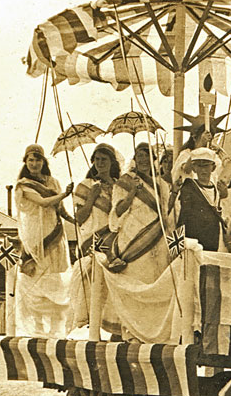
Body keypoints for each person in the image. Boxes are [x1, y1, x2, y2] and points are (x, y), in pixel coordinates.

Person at [15, 143, 73, 337]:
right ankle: (38, 327)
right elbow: (42, 201)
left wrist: (74, 219)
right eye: (30, 160)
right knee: (37, 276)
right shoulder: (23, 184)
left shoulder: (53, 182)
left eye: (38, 159)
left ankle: (57, 328)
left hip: (54, 232)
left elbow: (59, 208)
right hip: (36, 235)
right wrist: (64, 193)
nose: (34, 163)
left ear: (43, 161)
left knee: (55, 277)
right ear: (25, 162)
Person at [67, 143, 122, 337]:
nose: (100, 163)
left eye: (104, 160)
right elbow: (79, 217)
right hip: (93, 239)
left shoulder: (119, 185)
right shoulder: (85, 185)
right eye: (96, 159)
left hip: (116, 240)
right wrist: (92, 197)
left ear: (112, 162)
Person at [108, 142, 173, 280]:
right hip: (133, 235)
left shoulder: (161, 184)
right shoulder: (125, 181)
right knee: (137, 274)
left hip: (157, 235)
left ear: (153, 159)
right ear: (135, 159)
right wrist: (133, 191)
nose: (144, 160)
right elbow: (118, 211)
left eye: (147, 156)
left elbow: (166, 211)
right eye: (140, 156)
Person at [175, 148, 227, 252]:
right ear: (194, 168)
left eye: (206, 166)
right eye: (199, 166)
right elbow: (184, 216)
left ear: (213, 168)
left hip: (212, 238)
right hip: (193, 239)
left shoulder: (216, 188)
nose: (203, 170)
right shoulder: (189, 187)